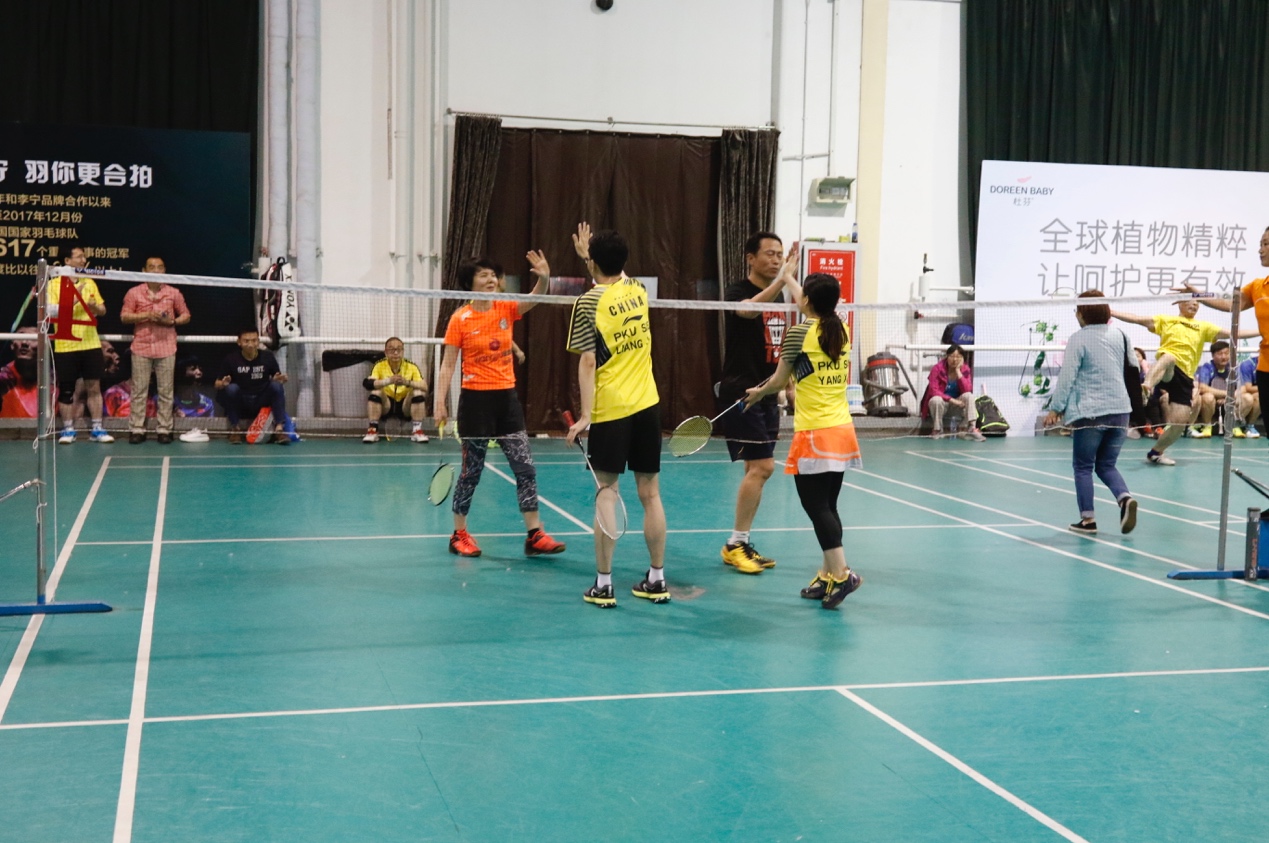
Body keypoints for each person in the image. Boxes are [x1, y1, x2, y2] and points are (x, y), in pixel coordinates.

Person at [743, 273, 863, 609]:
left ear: (806, 300)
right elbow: (809, 301)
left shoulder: (798, 334)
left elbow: (778, 381)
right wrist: (788, 277)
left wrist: (757, 393)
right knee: (829, 506)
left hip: (815, 433)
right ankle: (827, 576)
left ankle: (843, 574)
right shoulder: (841, 329)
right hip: (842, 430)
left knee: (816, 506)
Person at [565, 224, 669, 608]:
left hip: (611, 409)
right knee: (651, 494)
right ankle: (656, 578)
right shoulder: (637, 291)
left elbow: (588, 361)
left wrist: (585, 416)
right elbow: (615, 276)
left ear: (593, 262)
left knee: (607, 493)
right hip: (647, 404)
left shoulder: (587, 303)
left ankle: (604, 584)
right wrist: (590, 257)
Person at [434, 255, 565, 559]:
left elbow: (534, 299)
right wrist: (439, 401)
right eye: (483, 275)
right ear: (469, 283)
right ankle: (459, 534)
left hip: (507, 402)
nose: (491, 279)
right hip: (475, 403)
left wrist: (544, 278)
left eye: (493, 275)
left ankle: (535, 534)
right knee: (471, 473)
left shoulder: (505, 307)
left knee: (525, 468)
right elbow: (448, 364)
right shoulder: (460, 319)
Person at [716, 231, 801, 575]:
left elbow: (778, 348)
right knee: (764, 467)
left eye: (780, 254)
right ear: (750, 258)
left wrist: (787, 385)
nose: (776, 259)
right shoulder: (737, 290)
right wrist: (783, 280)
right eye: (769, 253)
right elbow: (747, 312)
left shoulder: (778, 297)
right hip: (742, 393)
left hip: (767, 393)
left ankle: (741, 543)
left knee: (755, 470)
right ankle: (736, 543)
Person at [1043, 291, 1140, 535]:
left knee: (1083, 466)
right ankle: (1124, 498)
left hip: (1091, 413)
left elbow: (1067, 376)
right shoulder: (1121, 335)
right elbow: (1134, 368)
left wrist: (1056, 408)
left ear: (1082, 313)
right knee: (1106, 465)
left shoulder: (1078, 339)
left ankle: (1088, 520)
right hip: (1121, 411)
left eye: (1077, 310)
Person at [1110, 299, 1233, 465]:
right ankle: (1146, 387)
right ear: (1180, 304)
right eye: (1190, 301)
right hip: (1167, 369)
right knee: (1169, 357)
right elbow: (1137, 319)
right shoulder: (1167, 320)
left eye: (1197, 303)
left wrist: (1263, 329)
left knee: (1179, 424)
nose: (1194, 304)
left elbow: (1233, 333)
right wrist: (1111, 311)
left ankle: (1156, 452)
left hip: (1185, 377)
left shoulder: (1203, 326)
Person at [120, 256, 191, 444]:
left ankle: (164, 430)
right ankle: (137, 429)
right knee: (139, 390)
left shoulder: (173, 292)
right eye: (152, 267)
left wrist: (172, 321)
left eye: (160, 267)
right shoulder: (134, 292)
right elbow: (124, 316)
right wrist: (146, 315)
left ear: (164, 270)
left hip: (166, 347)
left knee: (166, 391)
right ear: (144, 271)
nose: (156, 270)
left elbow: (186, 315)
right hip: (141, 347)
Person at [47, 246, 113, 443]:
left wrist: (94, 307)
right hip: (65, 345)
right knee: (67, 389)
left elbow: (102, 310)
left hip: (90, 343)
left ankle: (97, 429)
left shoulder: (89, 282)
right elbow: (51, 312)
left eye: (84, 257)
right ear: (67, 261)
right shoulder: (53, 285)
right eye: (79, 257)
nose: (84, 260)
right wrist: (75, 298)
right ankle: (68, 430)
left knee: (94, 387)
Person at [213, 329, 292, 444]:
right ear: (239, 342)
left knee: (276, 386)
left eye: (254, 340)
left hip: (261, 400)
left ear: (258, 341)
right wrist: (223, 384)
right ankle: (235, 430)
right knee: (231, 389)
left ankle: (279, 430)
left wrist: (279, 380)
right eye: (246, 341)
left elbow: (277, 377)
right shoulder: (231, 359)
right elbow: (216, 384)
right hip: (242, 401)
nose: (250, 344)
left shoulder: (267, 357)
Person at [363, 337, 430, 444]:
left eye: (399, 349)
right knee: (376, 391)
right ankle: (373, 430)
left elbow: (424, 386)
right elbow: (368, 384)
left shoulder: (411, 366)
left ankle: (417, 431)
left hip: (405, 407)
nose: (395, 352)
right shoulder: (379, 365)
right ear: (386, 352)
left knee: (417, 392)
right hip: (386, 406)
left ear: (403, 351)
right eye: (391, 349)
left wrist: (406, 382)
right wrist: (389, 381)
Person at [920, 344, 986, 440]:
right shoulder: (937, 369)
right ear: (947, 357)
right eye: (952, 356)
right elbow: (933, 390)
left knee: (969, 396)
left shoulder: (965, 369)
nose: (955, 359)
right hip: (942, 405)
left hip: (958, 406)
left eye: (958, 357)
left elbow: (967, 389)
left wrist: (958, 371)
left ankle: (971, 428)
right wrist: (952, 400)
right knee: (935, 399)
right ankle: (937, 430)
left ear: (962, 358)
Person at [1192, 340, 1233, 438]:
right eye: (1220, 354)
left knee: (1244, 396)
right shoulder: (1207, 367)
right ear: (1213, 355)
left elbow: (1239, 389)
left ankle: (1240, 426)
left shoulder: (1233, 369)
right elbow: (1202, 388)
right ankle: (1207, 427)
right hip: (1209, 403)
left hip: (1227, 402)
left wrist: (1226, 397)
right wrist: (1226, 394)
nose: (1224, 357)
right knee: (1208, 397)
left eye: (1226, 353)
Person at [0, 326, 38, 418]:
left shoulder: (55, 379)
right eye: (20, 337)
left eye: (32, 338)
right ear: (12, 345)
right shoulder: (3, 378)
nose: (24, 342)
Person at [1235, 355, 1262, 438]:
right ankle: (1239, 425)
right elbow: (1248, 388)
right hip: (1244, 395)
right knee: (1254, 398)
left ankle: (1249, 426)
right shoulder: (1248, 365)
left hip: (1257, 393)